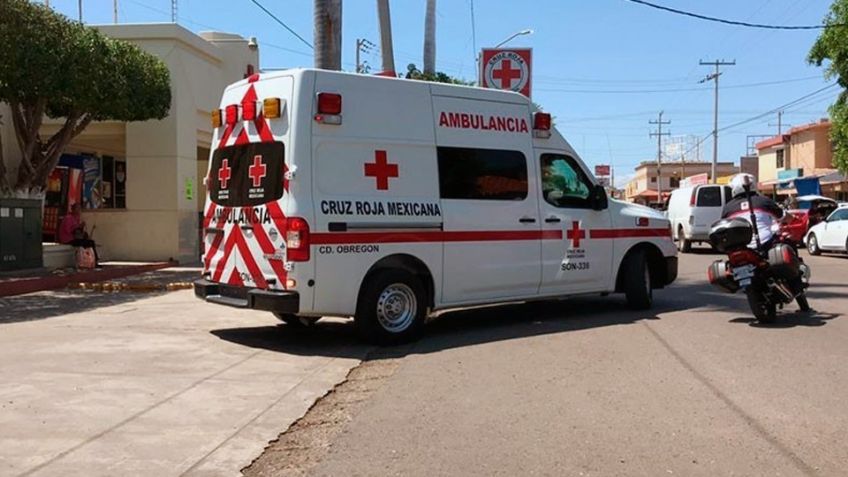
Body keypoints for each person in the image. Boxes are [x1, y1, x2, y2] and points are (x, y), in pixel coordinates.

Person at [721, 173, 785, 250]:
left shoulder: (728, 207)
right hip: (766, 245)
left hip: (740, 247)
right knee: (786, 245)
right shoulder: (764, 201)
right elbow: (784, 216)